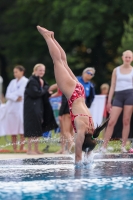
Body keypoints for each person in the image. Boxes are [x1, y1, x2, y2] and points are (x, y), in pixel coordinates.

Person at [36, 26, 109, 164]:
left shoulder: (92, 129)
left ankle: (52, 37)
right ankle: (47, 37)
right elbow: (78, 157)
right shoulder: (82, 130)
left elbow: (89, 145)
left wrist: (88, 154)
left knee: (63, 62)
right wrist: (80, 160)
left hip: (79, 90)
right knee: (57, 61)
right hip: (73, 94)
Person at [101, 50, 133, 153]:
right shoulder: (116, 70)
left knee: (126, 121)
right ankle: (104, 146)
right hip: (118, 95)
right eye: (126, 57)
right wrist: (109, 100)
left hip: (130, 95)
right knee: (111, 122)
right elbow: (113, 85)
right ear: (122, 58)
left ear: (132, 59)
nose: (127, 59)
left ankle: (123, 146)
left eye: (129, 57)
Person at [24, 63, 58, 154]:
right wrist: (46, 89)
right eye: (40, 70)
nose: (42, 72)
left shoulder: (41, 81)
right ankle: (30, 149)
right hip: (31, 108)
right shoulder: (32, 81)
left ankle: (35, 149)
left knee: (38, 127)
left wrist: (48, 91)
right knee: (32, 127)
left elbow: (44, 93)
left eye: (43, 70)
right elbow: (35, 93)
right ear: (35, 71)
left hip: (38, 107)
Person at [5, 65, 28, 152]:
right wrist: (15, 97)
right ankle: (14, 148)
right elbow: (7, 94)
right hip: (12, 108)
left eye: (16, 72)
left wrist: (13, 95)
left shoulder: (26, 81)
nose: (15, 74)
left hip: (21, 107)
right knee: (13, 129)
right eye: (14, 72)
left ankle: (22, 147)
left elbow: (21, 93)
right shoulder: (12, 82)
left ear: (22, 72)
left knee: (22, 128)